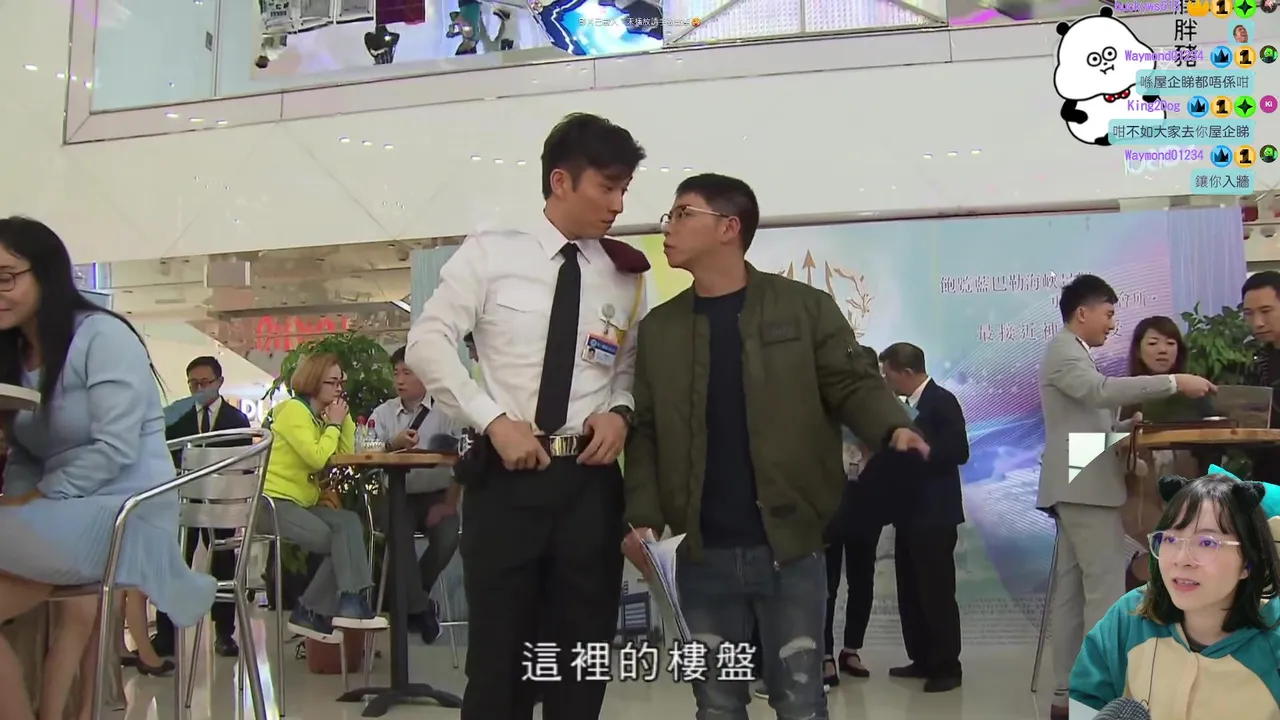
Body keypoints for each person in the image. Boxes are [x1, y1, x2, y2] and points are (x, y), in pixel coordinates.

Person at [622, 174, 929, 720]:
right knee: (716, 703)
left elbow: (851, 382)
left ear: (729, 227)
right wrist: (642, 517)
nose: (668, 227)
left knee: (801, 700)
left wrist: (891, 427)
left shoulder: (804, 309)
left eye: (683, 213)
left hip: (791, 544)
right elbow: (644, 431)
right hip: (699, 550)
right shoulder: (662, 329)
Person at [406, 112, 648, 720]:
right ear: (561, 181)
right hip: (508, 479)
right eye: (607, 187)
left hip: (589, 484)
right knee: (501, 662)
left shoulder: (622, 276)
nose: (618, 205)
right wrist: (492, 420)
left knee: (581, 658)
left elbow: (626, 366)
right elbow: (428, 343)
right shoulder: (492, 253)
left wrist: (620, 411)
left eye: (624, 189)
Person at [0, 216, 215, 720]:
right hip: (63, 513)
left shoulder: (102, 336)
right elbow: (27, 455)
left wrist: (37, 499)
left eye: (6, 277)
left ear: (46, 274)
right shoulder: (14, 353)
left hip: (126, 511)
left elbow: (114, 447)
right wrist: (18, 501)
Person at [1036, 273, 1216, 720]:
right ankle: (1097, 698)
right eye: (1109, 313)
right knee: (1102, 595)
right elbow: (1099, 392)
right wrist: (1175, 382)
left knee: (1074, 596)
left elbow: (1086, 424)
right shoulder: (1064, 350)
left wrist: (1122, 427)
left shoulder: (1072, 352)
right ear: (1083, 312)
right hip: (1084, 488)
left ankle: (1068, 697)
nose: (1113, 324)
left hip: (1081, 484)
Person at [1071, 471, 1280, 718]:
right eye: (1170, 539)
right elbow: (1084, 700)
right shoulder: (1130, 616)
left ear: (1247, 561)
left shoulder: (1274, 643)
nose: (1181, 559)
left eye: (1206, 543)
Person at [262, 352, 387, 640]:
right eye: (332, 382)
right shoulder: (293, 411)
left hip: (301, 503)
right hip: (272, 502)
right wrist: (333, 425)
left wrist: (342, 418)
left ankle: (331, 606)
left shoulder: (318, 417)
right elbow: (317, 458)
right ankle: (332, 606)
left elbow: (346, 454)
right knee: (339, 542)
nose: (339, 389)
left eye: (341, 382)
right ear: (313, 381)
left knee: (348, 523)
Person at [877, 342, 969, 693]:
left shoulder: (941, 401)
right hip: (908, 514)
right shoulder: (901, 406)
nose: (886, 381)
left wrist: (925, 449)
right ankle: (923, 658)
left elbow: (959, 450)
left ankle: (947, 666)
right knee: (911, 591)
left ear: (905, 372)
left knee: (936, 592)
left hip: (935, 514)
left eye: (888, 374)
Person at [151, 355, 251, 659]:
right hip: (182, 502)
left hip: (220, 504)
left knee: (222, 563)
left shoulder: (237, 421)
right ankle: (165, 634)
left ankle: (224, 633)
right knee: (173, 562)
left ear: (219, 382)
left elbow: (245, 466)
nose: (199, 389)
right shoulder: (177, 419)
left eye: (205, 382)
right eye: (193, 383)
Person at [368, 346, 463, 644]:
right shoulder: (383, 413)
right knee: (399, 533)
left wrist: (449, 503)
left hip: (437, 495)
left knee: (448, 536)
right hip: (397, 495)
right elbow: (364, 450)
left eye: (407, 372)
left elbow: (462, 457)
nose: (399, 379)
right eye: (396, 373)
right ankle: (421, 608)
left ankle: (411, 601)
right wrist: (391, 445)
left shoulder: (447, 412)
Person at [1118, 316, 1202, 591]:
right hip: (1139, 497)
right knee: (1167, 550)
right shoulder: (1121, 396)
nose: (1163, 350)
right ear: (1138, 349)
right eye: (1153, 343)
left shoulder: (1195, 394)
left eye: (1170, 343)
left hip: (1186, 495)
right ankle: (1136, 590)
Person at [820, 346, 886, 687]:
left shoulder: (879, 405)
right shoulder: (824, 401)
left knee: (862, 581)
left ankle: (851, 649)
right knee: (826, 584)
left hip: (866, 505)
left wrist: (871, 450)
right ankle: (825, 655)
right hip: (829, 504)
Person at [1242, 271, 1280, 485]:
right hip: (1267, 480)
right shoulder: (1258, 362)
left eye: (1266, 311)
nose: (1257, 323)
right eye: (1249, 313)